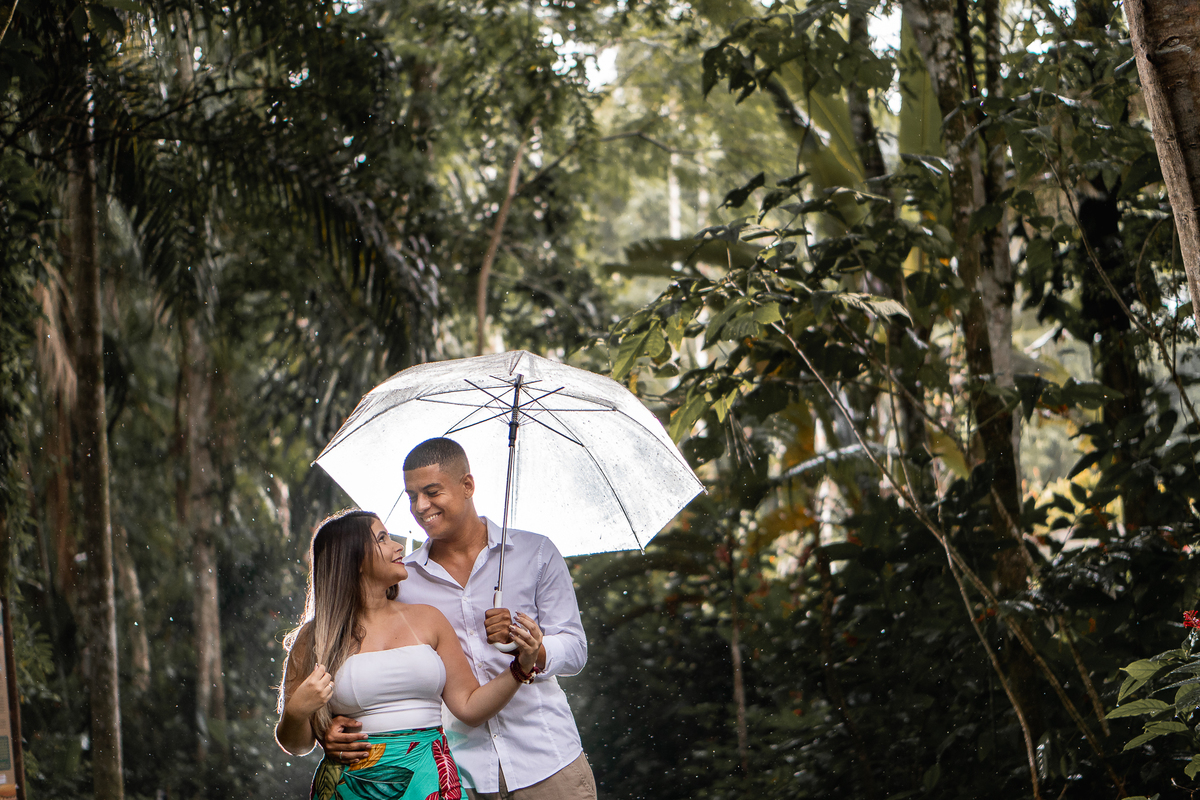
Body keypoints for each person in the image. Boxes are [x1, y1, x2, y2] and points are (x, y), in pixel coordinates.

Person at [323, 438, 597, 800]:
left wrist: (531, 647)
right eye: (412, 496)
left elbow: (575, 649)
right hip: (458, 774)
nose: (421, 507)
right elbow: (360, 650)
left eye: (432, 491)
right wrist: (327, 725)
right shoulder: (402, 580)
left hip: (548, 761)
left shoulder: (537, 553)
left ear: (467, 485)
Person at [276, 508, 544, 800]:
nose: (398, 546)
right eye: (382, 539)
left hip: (428, 779)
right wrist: (297, 712)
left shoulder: (429, 619)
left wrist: (522, 666)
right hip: (351, 787)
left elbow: (470, 707)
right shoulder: (315, 637)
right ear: (354, 560)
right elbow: (297, 745)